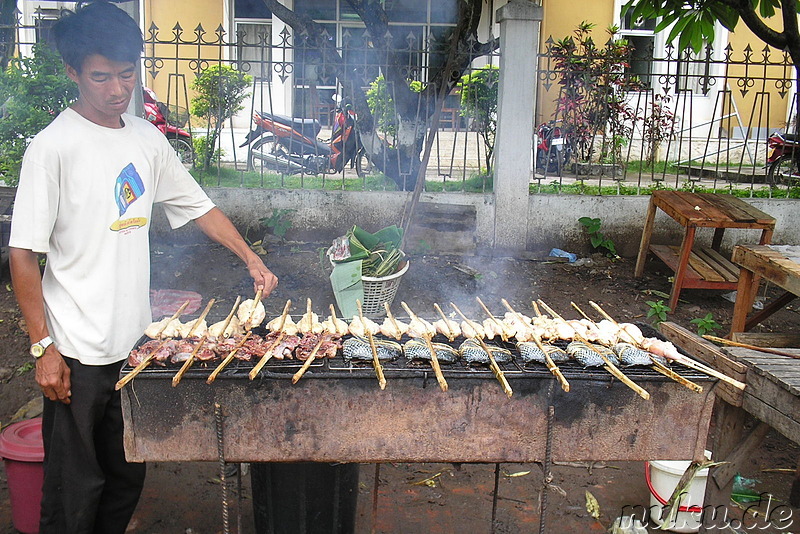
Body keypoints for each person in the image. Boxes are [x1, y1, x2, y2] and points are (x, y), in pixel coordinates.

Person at [8, 2, 278, 532]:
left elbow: (197, 206)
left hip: (134, 346)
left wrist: (250, 257)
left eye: (127, 74)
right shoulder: (52, 148)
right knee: (73, 490)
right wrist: (43, 347)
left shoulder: (146, 139)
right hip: (75, 351)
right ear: (73, 72)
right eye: (101, 76)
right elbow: (23, 252)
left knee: (126, 476)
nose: (116, 89)